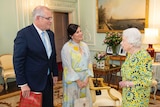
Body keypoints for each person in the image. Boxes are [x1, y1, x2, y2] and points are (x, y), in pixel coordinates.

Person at [13, 6, 58, 107]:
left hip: (47, 80)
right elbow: (18, 61)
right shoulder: (24, 34)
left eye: (51, 18)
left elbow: (52, 56)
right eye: (48, 18)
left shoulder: (50, 34)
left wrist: (54, 73)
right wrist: (23, 84)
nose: (51, 21)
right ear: (38, 18)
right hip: (32, 82)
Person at [61, 24, 94, 107]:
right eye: (77, 32)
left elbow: (89, 62)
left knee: (84, 102)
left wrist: (86, 79)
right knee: (73, 101)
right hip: (73, 80)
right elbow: (67, 67)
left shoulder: (85, 46)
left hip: (85, 79)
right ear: (71, 35)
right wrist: (78, 81)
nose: (81, 33)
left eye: (80, 31)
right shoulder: (66, 48)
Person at [119, 28, 152, 107]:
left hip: (138, 99)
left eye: (123, 40)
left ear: (131, 43)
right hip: (127, 96)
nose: (121, 43)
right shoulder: (130, 54)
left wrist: (127, 83)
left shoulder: (144, 56)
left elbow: (147, 81)